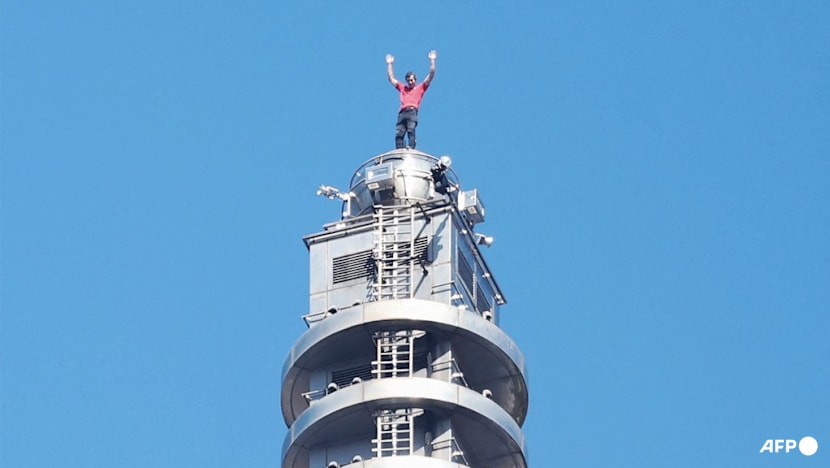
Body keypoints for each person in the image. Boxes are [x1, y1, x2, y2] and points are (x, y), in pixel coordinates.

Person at [386, 50, 437, 149]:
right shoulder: (403, 88)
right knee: (399, 134)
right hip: (402, 113)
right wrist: (390, 64)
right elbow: (391, 79)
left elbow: (431, 75)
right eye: (408, 80)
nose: (410, 82)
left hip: (412, 111)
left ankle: (411, 146)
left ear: (415, 80)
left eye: (412, 80)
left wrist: (432, 60)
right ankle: (399, 150)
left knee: (411, 130)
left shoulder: (420, 88)